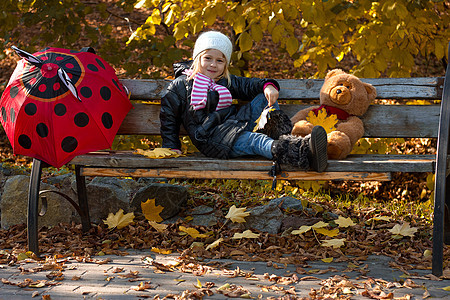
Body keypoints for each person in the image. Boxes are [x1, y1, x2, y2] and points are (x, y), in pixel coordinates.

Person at [160, 30, 328, 173]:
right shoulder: (182, 85)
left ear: (225, 64)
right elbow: (169, 117)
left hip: (235, 125)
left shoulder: (224, 80)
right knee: (256, 141)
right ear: (197, 58)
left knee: (263, 97)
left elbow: (250, 85)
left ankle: (281, 140)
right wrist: (171, 145)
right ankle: (304, 154)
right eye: (208, 58)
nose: (213, 64)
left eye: (220, 60)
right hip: (213, 140)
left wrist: (268, 86)